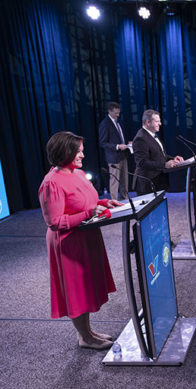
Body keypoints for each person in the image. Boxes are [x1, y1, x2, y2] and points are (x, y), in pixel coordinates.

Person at [38, 131, 122, 350]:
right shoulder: (52, 183)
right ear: (65, 152)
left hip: (85, 237)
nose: (83, 155)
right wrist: (89, 213)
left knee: (86, 287)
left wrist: (104, 202)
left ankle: (88, 331)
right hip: (69, 244)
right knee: (77, 291)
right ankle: (84, 337)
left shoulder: (76, 173)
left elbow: (84, 202)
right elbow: (54, 222)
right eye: (79, 151)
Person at [132, 109, 183, 195]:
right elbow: (142, 162)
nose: (160, 124)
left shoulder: (152, 134)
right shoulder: (140, 138)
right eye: (157, 121)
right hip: (148, 184)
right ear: (148, 122)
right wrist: (165, 165)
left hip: (158, 181)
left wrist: (173, 159)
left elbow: (160, 155)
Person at [98, 102, 131, 200]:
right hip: (113, 157)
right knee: (114, 181)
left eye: (119, 112)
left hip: (123, 155)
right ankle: (114, 201)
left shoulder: (118, 122)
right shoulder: (104, 124)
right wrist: (117, 146)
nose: (118, 115)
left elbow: (119, 137)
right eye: (116, 113)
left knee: (124, 179)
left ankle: (125, 198)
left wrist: (127, 143)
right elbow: (102, 143)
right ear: (109, 111)